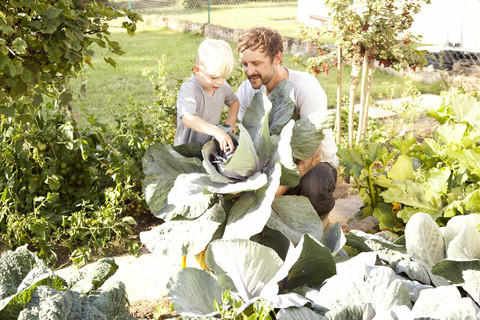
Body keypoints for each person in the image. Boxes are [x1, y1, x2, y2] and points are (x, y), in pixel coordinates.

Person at [236, 26, 338, 221]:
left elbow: (313, 155)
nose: (249, 71)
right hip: (272, 164)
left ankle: (321, 225)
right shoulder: (247, 90)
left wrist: (276, 189)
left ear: (277, 58)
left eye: (256, 63)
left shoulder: (306, 88)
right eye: (245, 64)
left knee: (313, 187)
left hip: (314, 164)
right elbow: (246, 139)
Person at [174, 38, 239, 152]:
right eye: (214, 77)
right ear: (197, 70)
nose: (219, 82)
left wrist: (231, 120)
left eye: (224, 77)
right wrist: (216, 131)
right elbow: (188, 118)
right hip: (186, 152)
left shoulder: (222, 87)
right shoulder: (190, 88)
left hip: (208, 149)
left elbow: (234, 101)